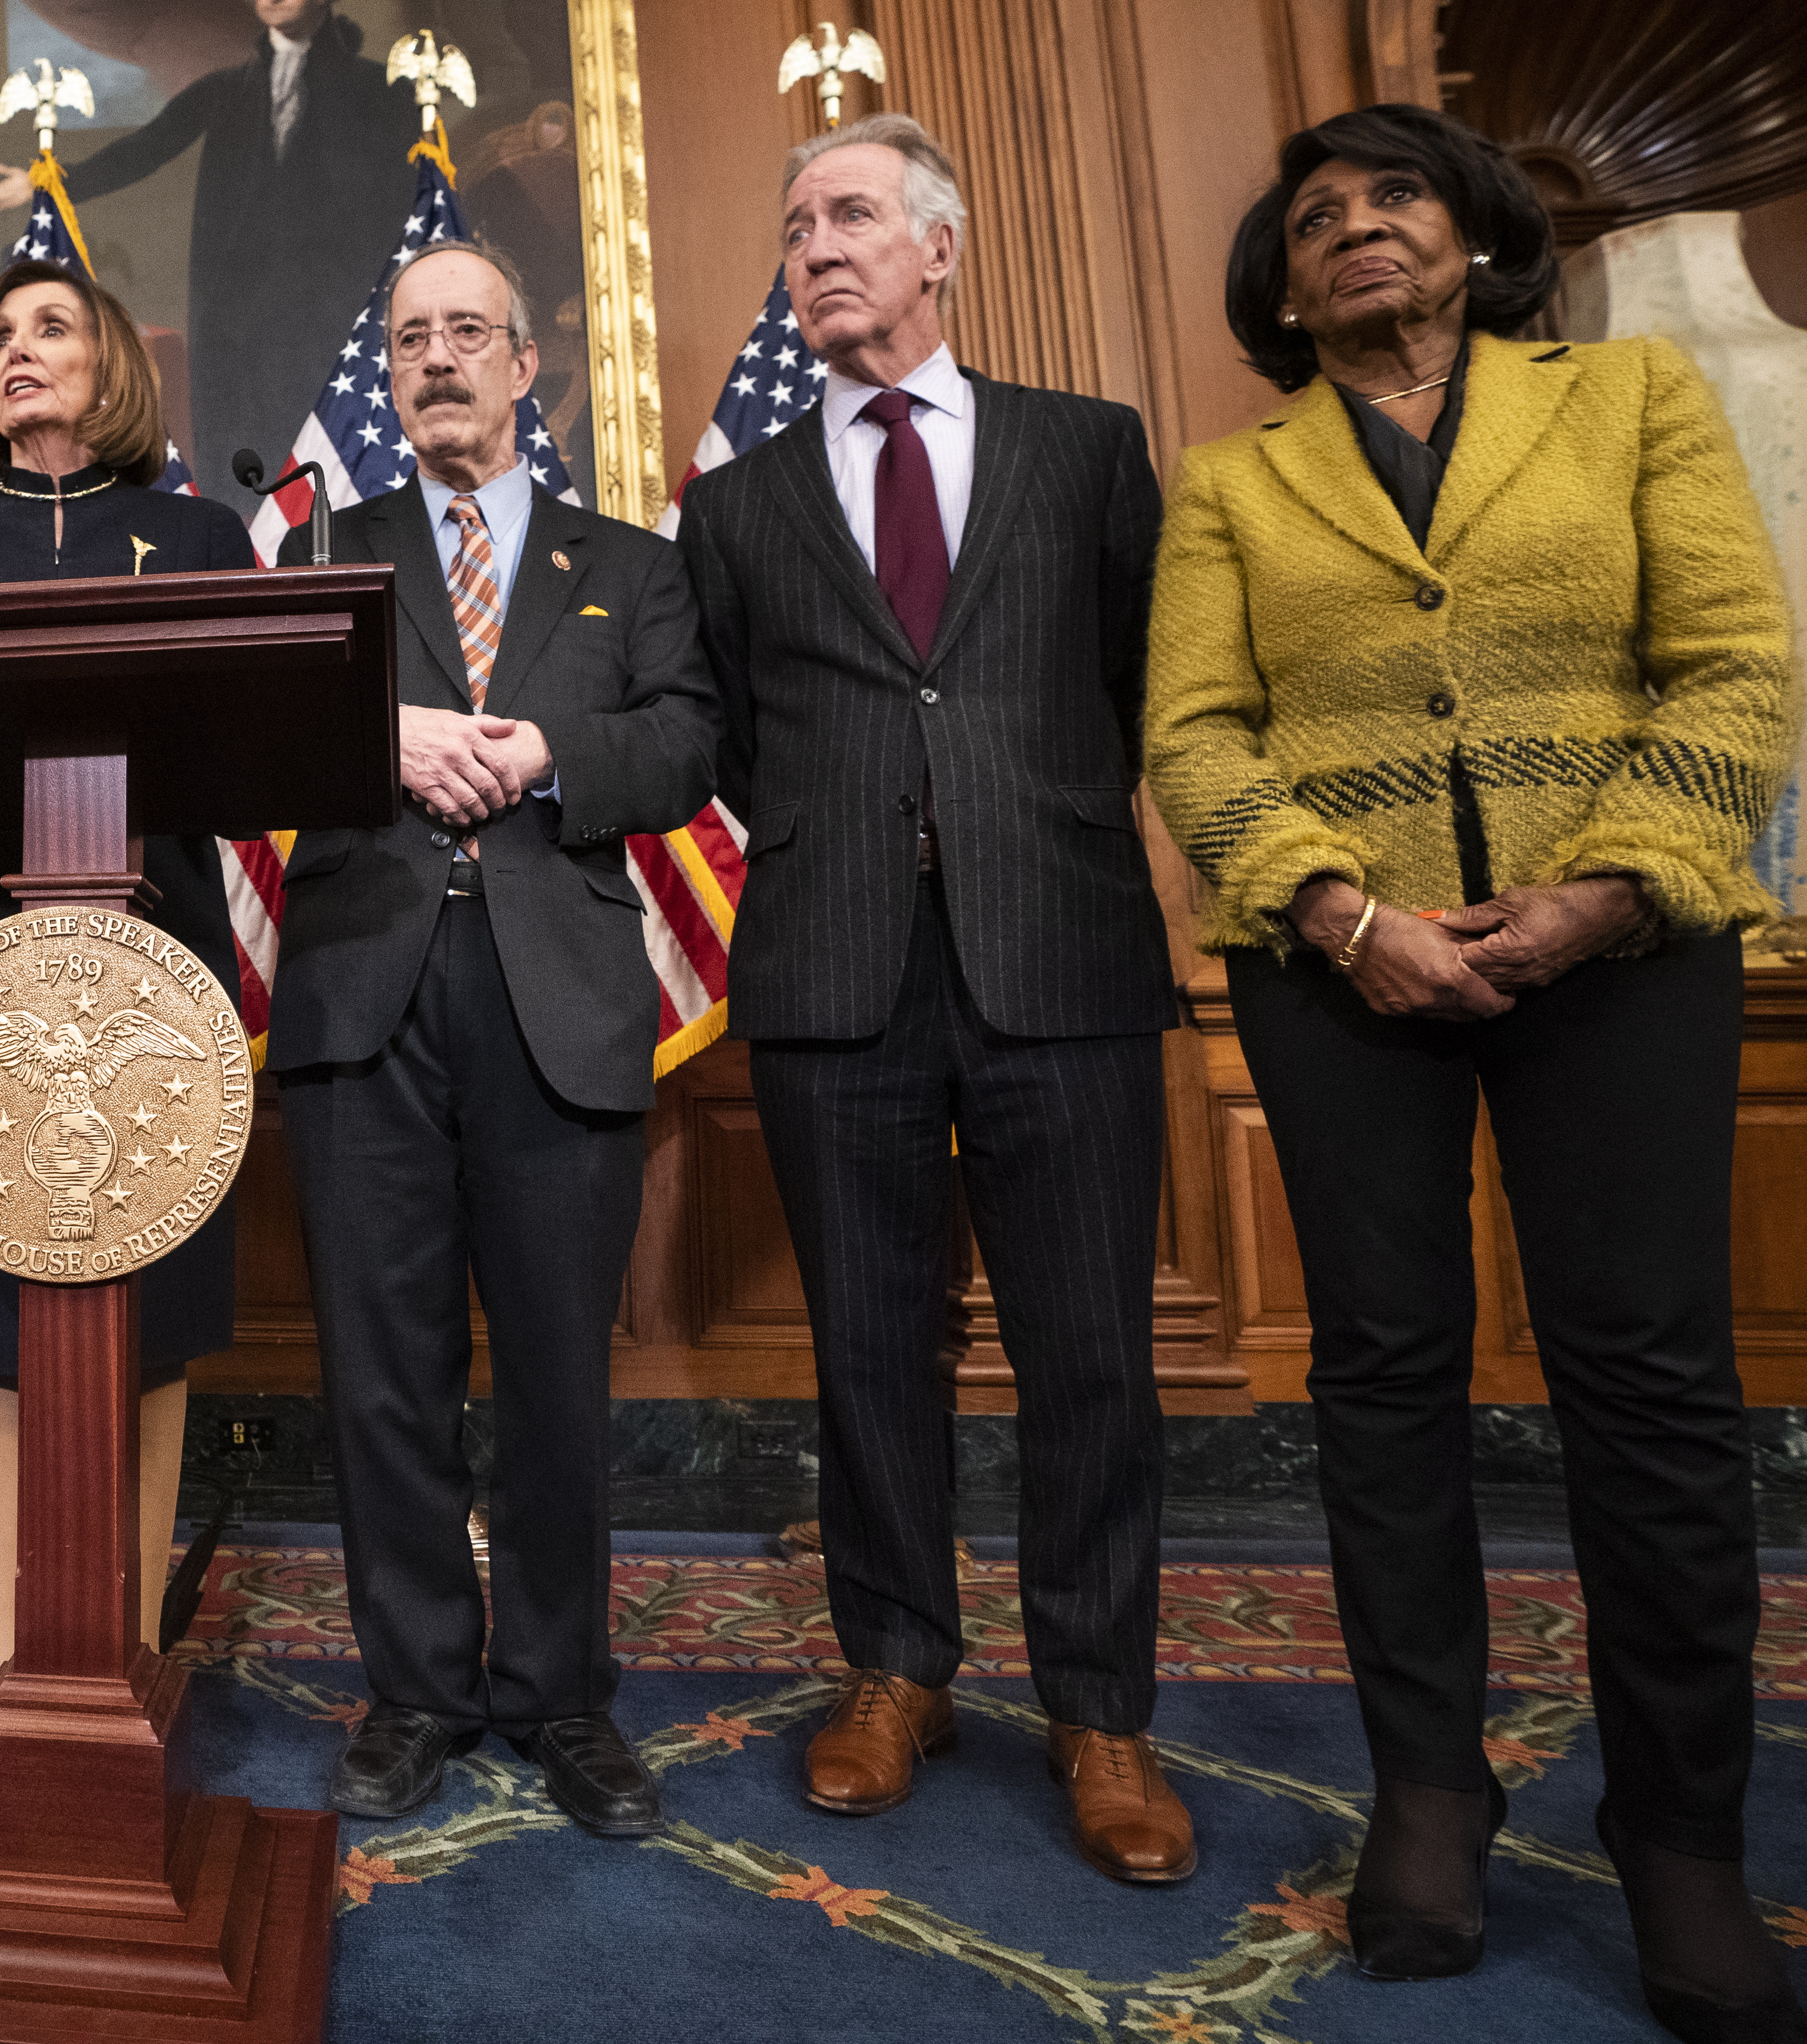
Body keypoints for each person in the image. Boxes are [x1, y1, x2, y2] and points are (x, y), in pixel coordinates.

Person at [1146, 104, 1802, 2038]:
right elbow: (1195, 732)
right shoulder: (1231, 484)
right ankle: (1433, 1791)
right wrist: (1346, 916)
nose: (1356, 233)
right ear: (1281, 283)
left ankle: (1684, 1837)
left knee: (1654, 1388)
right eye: (1319, 218)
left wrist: (1604, 893)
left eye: (1395, 201)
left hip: (1625, 951)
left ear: (1479, 236)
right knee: (1383, 1377)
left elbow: (1737, 668)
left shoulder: (1630, 404)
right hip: (1346, 976)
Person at [677, 115, 1195, 1884]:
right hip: (836, 975)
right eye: (796, 221)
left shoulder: (1082, 449)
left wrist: (1005, 818)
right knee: (869, 1353)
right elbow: (736, 730)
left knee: (1092, 1356)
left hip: (1059, 952)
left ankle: (1101, 1706)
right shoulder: (735, 503)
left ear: (940, 247)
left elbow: (1133, 685)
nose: (817, 247)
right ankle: (894, 1667)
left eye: (851, 216)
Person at [271, 236, 713, 1837]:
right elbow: (250, 736)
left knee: (548, 1377)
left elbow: (681, 746)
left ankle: (559, 1697)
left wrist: (542, 754)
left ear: (530, 366)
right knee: (381, 1376)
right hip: (362, 992)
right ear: (388, 377)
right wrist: (373, 733)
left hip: (558, 999)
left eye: (469, 334)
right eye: (411, 340)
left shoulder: (633, 564)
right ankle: (414, 1697)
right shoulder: (326, 546)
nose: (438, 360)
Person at [0, 258, 254, 1775]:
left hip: (156, 956)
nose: (18, 354)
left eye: (51, 330)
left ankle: (128, 1665)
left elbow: (240, 743)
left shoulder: (202, 536)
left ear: (113, 367)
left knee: (142, 1305)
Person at [0, 0, 408, 512]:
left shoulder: (379, 91)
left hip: (332, 311)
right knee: (246, 460)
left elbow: (396, 199)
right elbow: (144, 149)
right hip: (238, 317)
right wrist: (44, 181)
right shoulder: (225, 90)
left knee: (334, 462)